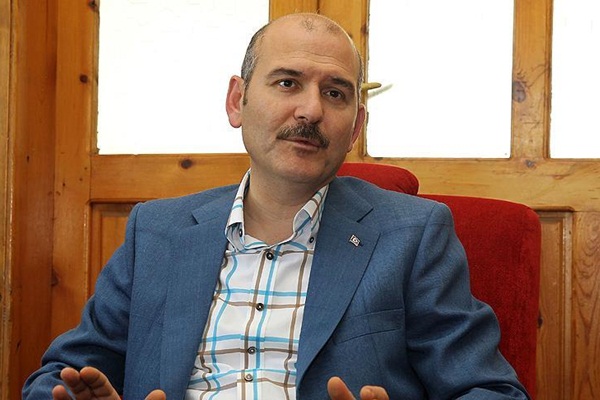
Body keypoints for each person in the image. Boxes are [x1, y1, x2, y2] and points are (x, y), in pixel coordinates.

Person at [23, 12, 530, 400]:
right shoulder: (156, 231)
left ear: (356, 126)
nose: (310, 109)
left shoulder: (414, 234)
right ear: (237, 101)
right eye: (287, 83)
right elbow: (58, 376)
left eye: (335, 93)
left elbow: (490, 390)